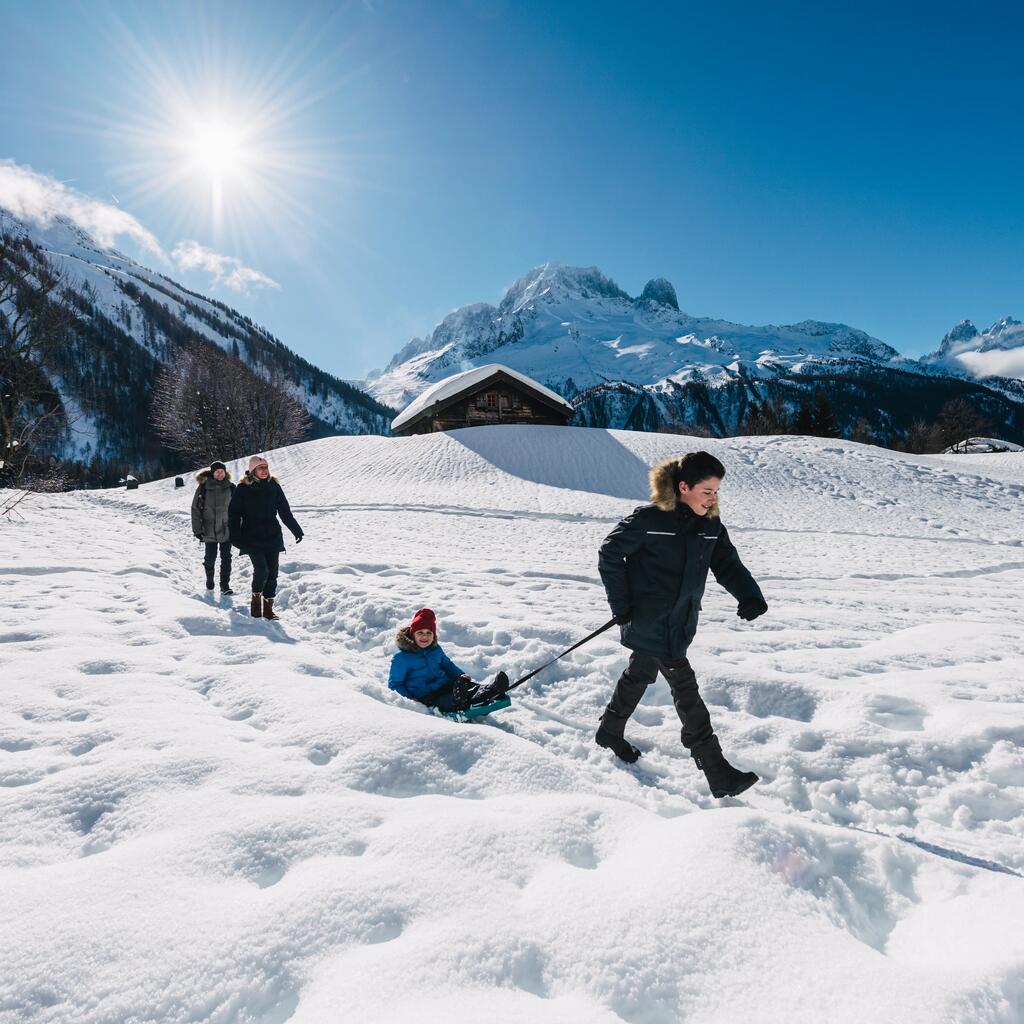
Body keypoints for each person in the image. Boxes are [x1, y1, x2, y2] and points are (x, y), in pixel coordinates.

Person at [596, 451, 768, 798]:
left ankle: (610, 731)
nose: (713, 498)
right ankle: (716, 770)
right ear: (684, 487)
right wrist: (622, 605)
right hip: (649, 621)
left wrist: (750, 596)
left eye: (717, 492)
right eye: (707, 491)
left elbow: (728, 564)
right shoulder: (650, 519)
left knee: (640, 673)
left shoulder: (710, 527)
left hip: (680, 621)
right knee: (686, 692)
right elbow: (610, 554)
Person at [228, 455, 303, 620]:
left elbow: (284, 511)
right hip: (251, 536)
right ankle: (256, 601)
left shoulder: (274, 486)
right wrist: (235, 536)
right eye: (261, 468)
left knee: (273, 572)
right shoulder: (243, 488)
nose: (264, 470)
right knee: (262, 569)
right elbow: (233, 514)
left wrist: (296, 530)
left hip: (272, 535)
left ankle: (268, 608)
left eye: (266, 467)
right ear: (253, 470)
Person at [388, 608, 504, 712]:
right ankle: (463, 700)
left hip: (445, 684)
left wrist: (460, 675)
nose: (425, 637)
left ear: (434, 635)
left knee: (469, 687)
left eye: (429, 633)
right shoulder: (401, 658)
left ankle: (491, 690)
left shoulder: (435, 649)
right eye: (420, 633)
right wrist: (410, 699)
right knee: (448, 700)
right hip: (426, 695)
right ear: (412, 635)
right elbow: (395, 684)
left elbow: (447, 665)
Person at [190, 460, 235, 593]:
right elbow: (195, 509)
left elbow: (239, 509)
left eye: (222, 471)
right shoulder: (204, 488)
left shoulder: (231, 487)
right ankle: (210, 579)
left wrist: (239, 527)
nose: (220, 474)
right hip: (208, 529)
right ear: (212, 473)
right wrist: (197, 529)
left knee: (226, 557)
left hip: (226, 529)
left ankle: (224, 585)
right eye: (217, 471)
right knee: (210, 558)